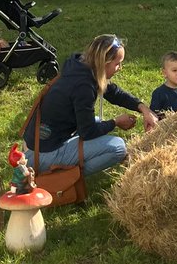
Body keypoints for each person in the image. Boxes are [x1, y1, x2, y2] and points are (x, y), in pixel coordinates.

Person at [22, 34, 158, 177]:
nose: (120, 68)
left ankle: (64, 166)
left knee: (97, 120)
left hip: (36, 144)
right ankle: (64, 176)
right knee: (118, 147)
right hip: (41, 155)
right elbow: (87, 132)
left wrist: (143, 108)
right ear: (105, 62)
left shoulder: (80, 65)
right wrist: (115, 122)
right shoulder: (83, 87)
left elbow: (113, 93)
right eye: (117, 63)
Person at [149, 51, 177, 116]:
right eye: (174, 70)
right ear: (164, 73)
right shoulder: (159, 93)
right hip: (167, 125)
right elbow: (153, 115)